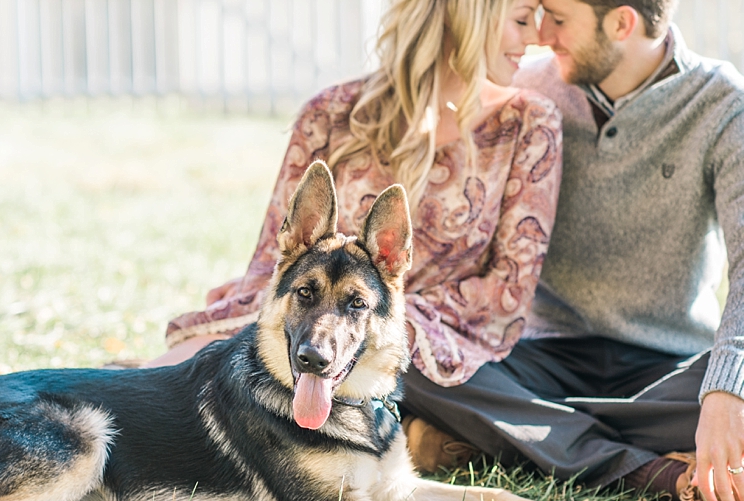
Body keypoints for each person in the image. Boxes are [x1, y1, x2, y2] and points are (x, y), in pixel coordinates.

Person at [140, 0, 560, 466]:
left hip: (443, 341)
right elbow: (270, 261)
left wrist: (396, 315)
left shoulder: (530, 124)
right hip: (319, 329)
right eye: (521, 20)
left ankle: (426, 431)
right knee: (184, 372)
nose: (537, 36)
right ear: (467, 18)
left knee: (462, 383)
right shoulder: (331, 113)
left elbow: (509, 287)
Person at [404, 0, 744, 501]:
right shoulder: (529, 86)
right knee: (405, 350)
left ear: (622, 23)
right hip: (538, 359)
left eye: (559, 19)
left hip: (668, 368)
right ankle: (646, 465)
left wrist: (725, 391)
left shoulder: (723, 104)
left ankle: (509, 434)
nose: (541, 33)